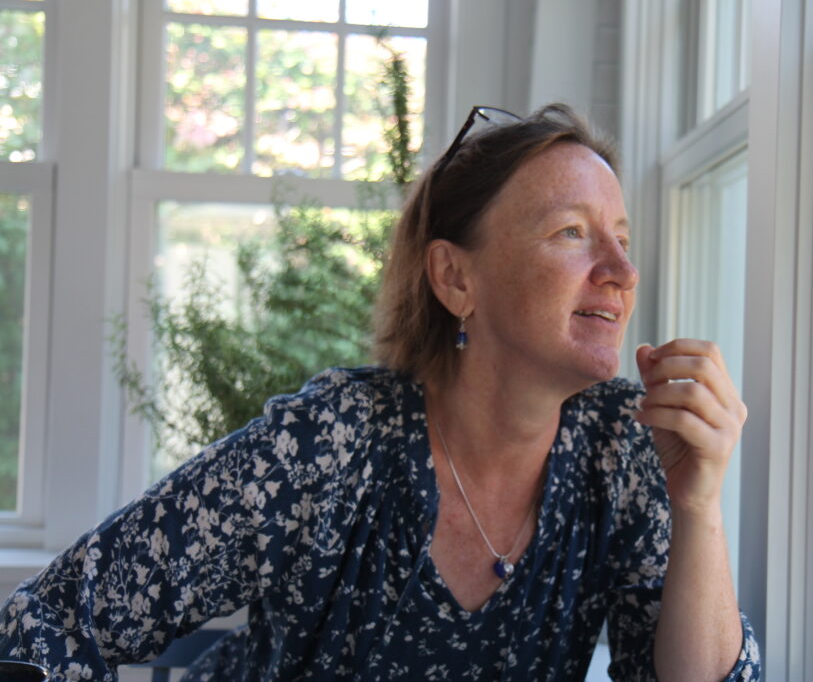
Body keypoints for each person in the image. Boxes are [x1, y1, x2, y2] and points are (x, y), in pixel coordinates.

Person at [0, 104, 760, 681]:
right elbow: (51, 621)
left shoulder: (621, 450)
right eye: (571, 232)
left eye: (623, 238)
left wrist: (697, 506)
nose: (623, 271)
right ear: (455, 277)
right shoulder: (327, 444)